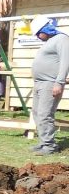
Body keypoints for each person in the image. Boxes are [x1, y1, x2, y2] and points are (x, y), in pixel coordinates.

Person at [29, 16, 69, 155]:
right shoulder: (50, 41)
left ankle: (49, 146)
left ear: (45, 29)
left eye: (38, 33)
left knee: (45, 114)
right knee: (36, 113)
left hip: (50, 84)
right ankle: (43, 142)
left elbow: (65, 62)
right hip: (39, 83)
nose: (38, 36)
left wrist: (59, 82)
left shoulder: (62, 39)